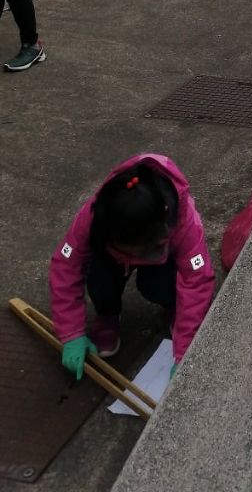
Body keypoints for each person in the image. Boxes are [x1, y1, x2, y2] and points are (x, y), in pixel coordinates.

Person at [49, 154, 215, 380]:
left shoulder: (184, 223)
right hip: (111, 259)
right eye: (125, 247)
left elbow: (197, 280)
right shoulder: (95, 216)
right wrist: (70, 333)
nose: (133, 254)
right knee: (100, 278)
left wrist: (185, 352)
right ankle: (107, 314)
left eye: (135, 249)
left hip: (161, 262)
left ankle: (173, 308)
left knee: (159, 286)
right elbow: (66, 264)